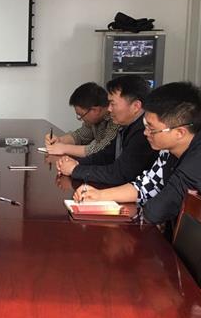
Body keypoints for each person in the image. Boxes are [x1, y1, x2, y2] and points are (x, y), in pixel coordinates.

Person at [73, 82, 201, 226]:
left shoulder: (196, 162)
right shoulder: (168, 150)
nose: (145, 133)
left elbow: (156, 212)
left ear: (179, 133)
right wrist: (99, 195)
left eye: (151, 128)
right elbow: (148, 184)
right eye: (145, 125)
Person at [56, 75, 157, 186]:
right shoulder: (127, 126)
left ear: (136, 106)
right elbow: (106, 155)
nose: (109, 109)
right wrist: (76, 162)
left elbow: (119, 174)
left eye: (112, 104)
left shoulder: (144, 132)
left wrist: (75, 170)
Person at [45, 82, 119, 157]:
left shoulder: (116, 120)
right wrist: (59, 140)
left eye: (81, 115)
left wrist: (64, 148)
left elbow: (99, 149)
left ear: (95, 110)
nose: (81, 119)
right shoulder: (93, 120)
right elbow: (80, 136)